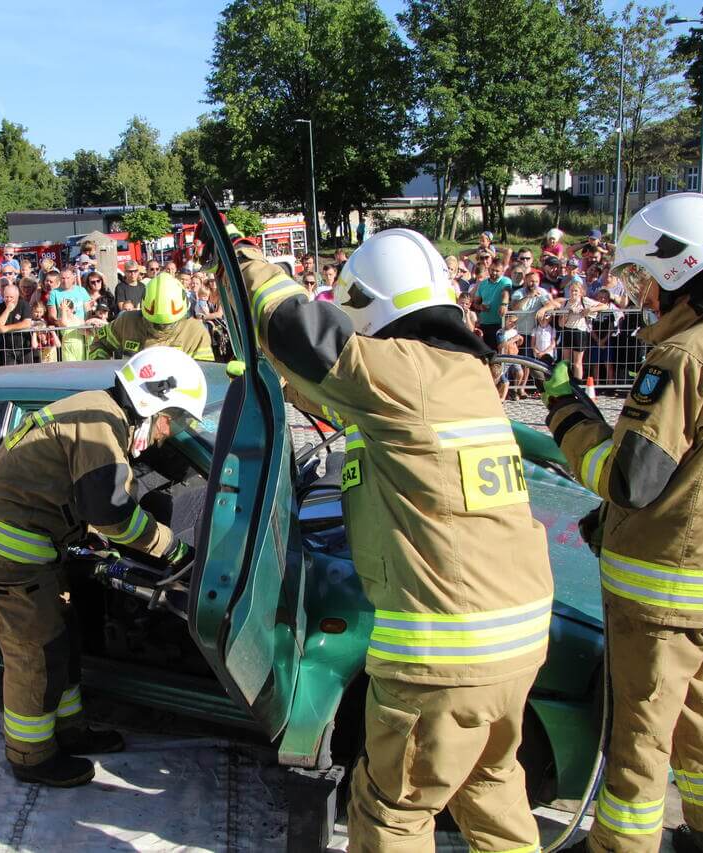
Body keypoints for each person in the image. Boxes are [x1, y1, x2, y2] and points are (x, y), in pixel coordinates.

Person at [213, 224, 553, 853]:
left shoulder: (402, 371)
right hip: (517, 644)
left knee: (392, 810)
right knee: (492, 785)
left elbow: (295, 326)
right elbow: (355, 408)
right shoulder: (461, 375)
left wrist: (247, 261)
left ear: (369, 307)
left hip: (444, 655)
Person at [547, 193, 703, 853]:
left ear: (681, 270)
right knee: (702, 710)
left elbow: (627, 477)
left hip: (663, 592)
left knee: (641, 735)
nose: (647, 291)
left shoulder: (686, 358)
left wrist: (568, 415)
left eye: (651, 276)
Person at [0, 348, 205, 787]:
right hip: (11, 552)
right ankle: (30, 757)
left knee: (64, 642)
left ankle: (70, 732)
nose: (172, 435)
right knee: (35, 654)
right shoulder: (101, 425)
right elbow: (113, 514)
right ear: (153, 401)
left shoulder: (101, 412)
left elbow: (78, 496)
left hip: (37, 546)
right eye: (177, 420)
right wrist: (174, 550)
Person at [88, 273, 214, 361]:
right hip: (131, 395)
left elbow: (206, 374)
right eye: (155, 323)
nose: (161, 327)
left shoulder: (196, 333)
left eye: (169, 324)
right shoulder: (127, 322)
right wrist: (104, 369)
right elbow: (100, 342)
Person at [538, 278, 605, 384]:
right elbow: (560, 323)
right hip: (567, 331)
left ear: (580, 292)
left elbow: (604, 306)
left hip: (579, 332)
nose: (573, 293)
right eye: (572, 290)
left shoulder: (585, 300)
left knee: (577, 362)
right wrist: (565, 314)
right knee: (566, 361)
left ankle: (578, 384)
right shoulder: (565, 303)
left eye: (576, 291)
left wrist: (590, 310)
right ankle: (566, 382)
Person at [0, 284, 37, 366]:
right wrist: (7, 310)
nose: (8, 299)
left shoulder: (24, 305)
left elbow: (27, 323)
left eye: (11, 297)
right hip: (7, 349)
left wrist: (7, 328)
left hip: (24, 347)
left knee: (28, 373)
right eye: (6, 297)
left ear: (17, 296)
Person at [474, 258, 513, 346]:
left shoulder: (506, 281)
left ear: (502, 271)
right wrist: (480, 307)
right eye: (492, 270)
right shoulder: (482, 284)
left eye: (497, 271)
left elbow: (505, 292)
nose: (494, 273)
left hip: (499, 324)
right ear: (488, 269)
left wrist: (504, 304)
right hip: (484, 323)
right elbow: (476, 303)